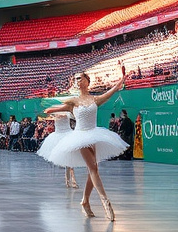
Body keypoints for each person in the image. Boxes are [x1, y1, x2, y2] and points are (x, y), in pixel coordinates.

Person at [44, 64, 128, 221]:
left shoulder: (95, 99)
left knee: (93, 169)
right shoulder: (73, 102)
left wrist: (121, 78)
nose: (77, 81)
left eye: (80, 78)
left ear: (87, 81)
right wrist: (50, 110)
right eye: (75, 79)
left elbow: (112, 91)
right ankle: (105, 201)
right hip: (80, 137)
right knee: (93, 169)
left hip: (94, 134)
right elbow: (59, 108)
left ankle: (85, 201)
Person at [36, 112, 79, 188]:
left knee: (69, 161)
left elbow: (73, 117)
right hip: (59, 136)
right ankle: (69, 180)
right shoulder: (55, 114)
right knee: (68, 162)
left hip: (67, 135)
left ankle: (70, 180)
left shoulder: (67, 113)